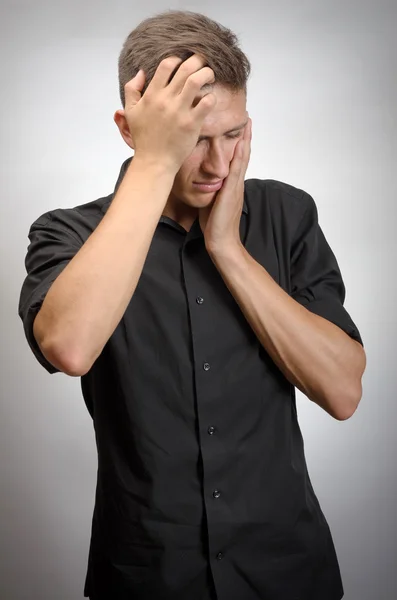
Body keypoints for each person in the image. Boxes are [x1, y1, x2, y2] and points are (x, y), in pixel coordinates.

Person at [18, 9, 366, 600]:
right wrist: (155, 164)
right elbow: (69, 346)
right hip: (146, 578)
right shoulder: (67, 235)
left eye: (233, 136)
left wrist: (228, 250)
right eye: (191, 140)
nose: (217, 165)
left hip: (288, 572)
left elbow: (343, 392)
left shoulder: (287, 215)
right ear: (131, 130)